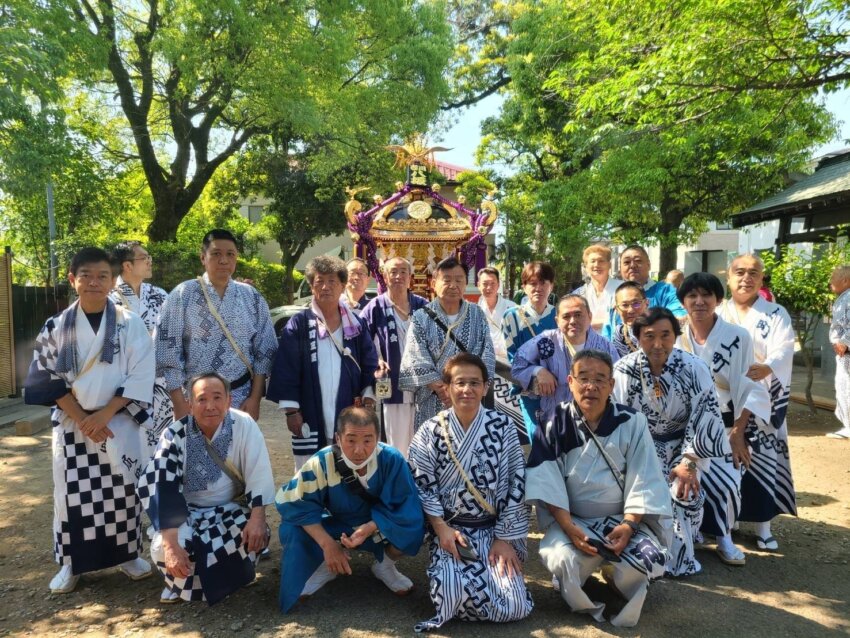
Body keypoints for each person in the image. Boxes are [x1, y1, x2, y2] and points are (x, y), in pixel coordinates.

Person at [24, 247, 155, 593]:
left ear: (113, 281)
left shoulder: (131, 324)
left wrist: (106, 414)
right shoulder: (56, 326)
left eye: (102, 276)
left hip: (118, 421)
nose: (94, 282)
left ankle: (128, 554)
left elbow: (142, 372)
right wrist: (84, 419)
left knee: (123, 492)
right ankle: (72, 563)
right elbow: (45, 381)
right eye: (86, 275)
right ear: (72, 279)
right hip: (73, 424)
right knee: (71, 496)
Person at [526, 350, 671, 627]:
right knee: (561, 557)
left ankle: (617, 585)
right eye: (583, 378)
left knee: (651, 560)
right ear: (570, 382)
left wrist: (629, 525)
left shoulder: (633, 422)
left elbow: (645, 477)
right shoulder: (552, 424)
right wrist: (569, 528)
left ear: (611, 386)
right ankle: (580, 592)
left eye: (600, 379)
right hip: (574, 520)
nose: (591, 386)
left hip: (621, 519)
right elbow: (546, 480)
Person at [408, 353, 533, 632]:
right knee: (449, 598)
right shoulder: (429, 430)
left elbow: (517, 483)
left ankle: (497, 582)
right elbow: (421, 483)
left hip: (494, 531)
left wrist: (504, 539)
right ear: (447, 387)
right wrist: (440, 528)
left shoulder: (504, 428)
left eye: (475, 383)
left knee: (513, 606)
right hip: (454, 532)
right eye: (460, 382)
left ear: (486, 388)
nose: (467, 389)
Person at [136, 372, 275, 604]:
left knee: (253, 534)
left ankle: (212, 580)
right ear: (190, 404)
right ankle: (177, 583)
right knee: (164, 547)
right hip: (186, 514)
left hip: (230, 510)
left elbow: (258, 472)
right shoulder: (174, 434)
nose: (210, 406)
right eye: (201, 399)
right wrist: (171, 544)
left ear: (229, 400)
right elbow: (162, 486)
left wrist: (258, 518)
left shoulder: (244, 424)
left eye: (217, 397)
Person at [611, 308, 729, 576]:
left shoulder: (694, 368)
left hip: (685, 450)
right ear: (638, 337)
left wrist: (689, 461)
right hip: (639, 449)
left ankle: (678, 555)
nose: (657, 344)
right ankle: (641, 551)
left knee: (682, 491)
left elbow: (706, 416)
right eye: (649, 336)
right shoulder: (623, 370)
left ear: (675, 336)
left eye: (665, 335)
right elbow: (616, 419)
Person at [276, 406, 424, 612]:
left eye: (367, 441)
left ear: (378, 437)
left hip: (376, 525)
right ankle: (324, 563)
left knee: (416, 521)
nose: (359, 450)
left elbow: (406, 505)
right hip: (335, 523)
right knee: (290, 526)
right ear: (338, 438)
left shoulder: (392, 459)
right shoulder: (321, 460)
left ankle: (385, 565)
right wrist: (328, 545)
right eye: (351, 440)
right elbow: (294, 503)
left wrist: (371, 526)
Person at [676, 273, 772, 566]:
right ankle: (689, 536)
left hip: (726, 424)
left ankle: (724, 537)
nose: (699, 301)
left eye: (706, 295)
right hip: (686, 428)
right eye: (692, 296)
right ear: (683, 302)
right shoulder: (676, 336)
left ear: (718, 300)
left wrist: (738, 433)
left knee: (728, 484)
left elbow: (748, 387)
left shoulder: (737, 336)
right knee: (682, 484)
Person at [268, 255, 378, 470]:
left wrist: (368, 399)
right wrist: (292, 411)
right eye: (319, 281)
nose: (326, 287)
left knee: (349, 466)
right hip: (310, 409)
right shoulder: (298, 324)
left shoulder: (355, 324)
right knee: (311, 471)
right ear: (311, 285)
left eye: (332, 281)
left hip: (348, 405)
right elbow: (287, 368)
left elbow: (369, 362)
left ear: (342, 286)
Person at [156, 229, 277, 423]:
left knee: (237, 452)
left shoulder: (251, 297)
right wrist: (179, 402)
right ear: (203, 257)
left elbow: (264, 350)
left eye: (230, 254)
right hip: (194, 398)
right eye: (216, 254)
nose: (224, 260)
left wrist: (255, 399)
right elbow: (167, 352)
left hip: (241, 396)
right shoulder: (183, 294)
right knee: (195, 452)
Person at [718, 254, 796, 550]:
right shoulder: (718, 312)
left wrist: (769, 366)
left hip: (762, 398)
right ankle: (729, 519)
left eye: (753, 272)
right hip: (725, 399)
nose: (746, 277)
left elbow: (784, 348)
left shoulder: (776, 313)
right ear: (728, 276)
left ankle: (763, 525)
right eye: (739, 271)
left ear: (761, 279)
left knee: (761, 459)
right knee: (726, 461)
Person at [399, 256, 495, 431]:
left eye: (459, 280)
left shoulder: (477, 314)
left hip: (469, 394)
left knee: (472, 446)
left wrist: (470, 386)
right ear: (434, 283)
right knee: (434, 445)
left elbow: (487, 351)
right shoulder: (421, 316)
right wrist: (442, 389)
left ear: (466, 284)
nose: (453, 285)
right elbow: (415, 356)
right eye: (447, 279)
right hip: (434, 397)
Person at [110, 241, 174, 458]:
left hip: (159, 384)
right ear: (127, 265)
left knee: (161, 444)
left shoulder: (160, 295)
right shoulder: (109, 298)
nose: (149, 261)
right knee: (125, 445)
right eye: (144, 258)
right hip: (123, 383)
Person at [512, 295, 620, 423]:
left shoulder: (604, 346)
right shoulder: (546, 341)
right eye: (566, 316)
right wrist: (537, 371)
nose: (573, 321)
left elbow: (618, 381)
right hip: (554, 420)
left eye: (578, 315)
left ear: (590, 317)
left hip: (595, 420)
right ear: (557, 320)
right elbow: (517, 364)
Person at [360, 257, 428, 456]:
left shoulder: (423, 306)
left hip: (422, 387)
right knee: (396, 444)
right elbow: (362, 342)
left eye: (403, 272)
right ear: (384, 276)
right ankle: (399, 482)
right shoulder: (374, 308)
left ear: (410, 277)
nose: (398, 276)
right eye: (393, 272)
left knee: (422, 442)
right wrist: (376, 361)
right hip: (392, 386)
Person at [502, 261, 558, 441]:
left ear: (551, 285)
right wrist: (537, 371)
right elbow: (513, 358)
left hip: (560, 391)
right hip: (531, 391)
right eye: (533, 283)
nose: (538, 288)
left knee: (563, 442)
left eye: (543, 283)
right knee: (538, 440)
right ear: (524, 286)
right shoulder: (512, 317)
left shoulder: (560, 315)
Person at [614, 246, 686, 325]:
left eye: (638, 261)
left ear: (649, 265)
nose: (632, 265)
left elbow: (680, 317)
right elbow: (607, 333)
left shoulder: (665, 291)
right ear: (620, 268)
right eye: (627, 262)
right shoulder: (615, 296)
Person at [572, 245, 622, 332]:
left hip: (615, 343)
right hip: (587, 343)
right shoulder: (578, 294)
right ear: (586, 266)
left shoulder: (622, 289)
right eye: (593, 261)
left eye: (601, 261)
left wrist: (589, 323)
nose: (597, 265)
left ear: (609, 265)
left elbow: (625, 318)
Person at [828, 265, 850, 439]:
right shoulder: (844, 297)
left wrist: (845, 342)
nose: (830, 281)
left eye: (833, 277)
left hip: (847, 352)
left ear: (845, 280)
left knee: (847, 388)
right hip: (844, 353)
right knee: (843, 387)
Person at [477, 266, 516, 359]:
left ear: (498, 285)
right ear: (478, 285)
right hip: (483, 360)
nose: (489, 287)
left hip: (508, 360)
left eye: (493, 283)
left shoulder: (512, 307)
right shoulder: (475, 310)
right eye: (485, 283)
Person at [602, 282, 648, 357]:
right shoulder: (620, 333)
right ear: (617, 309)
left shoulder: (658, 328)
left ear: (646, 303)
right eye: (625, 305)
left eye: (636, 303)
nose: (630, 310)